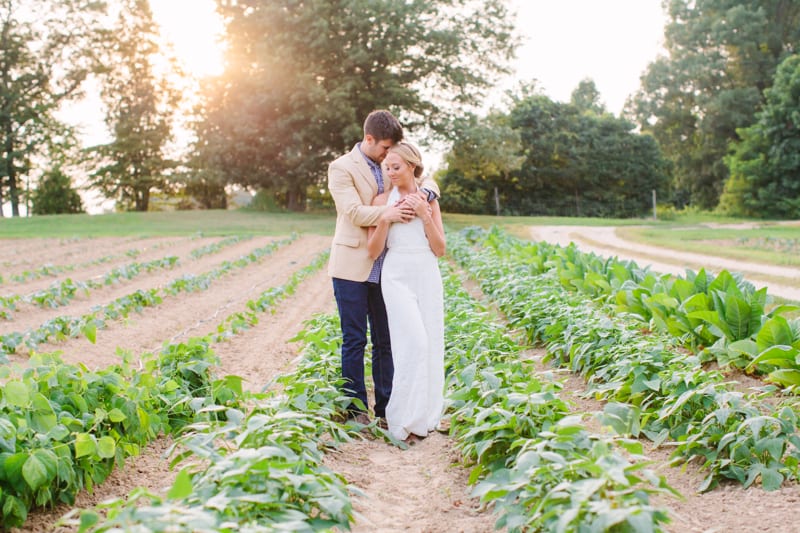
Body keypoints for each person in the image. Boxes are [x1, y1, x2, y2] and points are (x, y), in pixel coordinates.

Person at [327, 110, 439, 424]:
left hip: (387, 267)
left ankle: (387, 408)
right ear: (369, 139)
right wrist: (388, 215)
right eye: (385, 148)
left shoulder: (391, 163)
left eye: (393, 151)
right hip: (351, 264)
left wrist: (426, 194)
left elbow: (422, 178)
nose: (389, 156)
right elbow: (352, 212)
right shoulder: (341, 168)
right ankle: (354, 411)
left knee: (385, 340)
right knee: (354, 339)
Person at [367, 142, 446, 442]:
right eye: (387, 166)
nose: (390, 171)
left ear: (412, 166)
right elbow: (374, 251)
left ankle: (424, 417)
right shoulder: (381, 200)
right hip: (396, 275)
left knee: (431, 344)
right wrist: (386, 218)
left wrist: (425, 214)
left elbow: (440, 250)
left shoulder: (429, 199)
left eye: (396, 166)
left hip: (426, 274)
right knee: (412, 343)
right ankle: (402, 420)